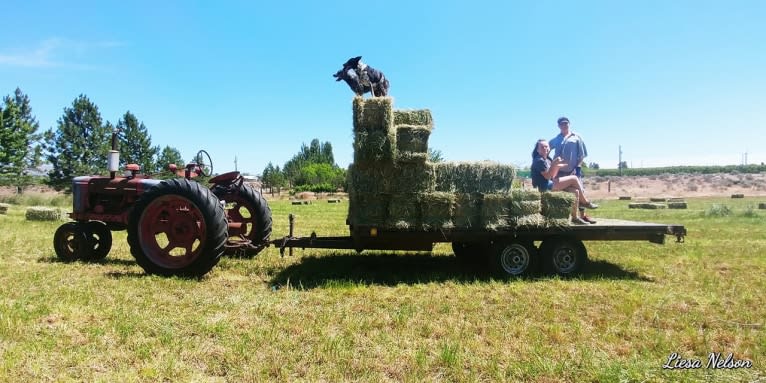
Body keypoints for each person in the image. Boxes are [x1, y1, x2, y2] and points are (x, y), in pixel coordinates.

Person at [531, 139, 598, 225]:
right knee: (574, 178)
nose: (545, 148)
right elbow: (547, 176)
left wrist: (557, 166)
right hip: (543, 187)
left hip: (550, 184)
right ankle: (584, 202)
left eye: (546, 146)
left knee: (575, 191)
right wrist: (554, 164)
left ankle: (575, 217)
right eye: (542, 147)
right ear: (537, 149)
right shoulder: (539, 160)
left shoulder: (547, 159)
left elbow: (552, 176)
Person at [549, 117, 596, 223]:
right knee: (568, 193)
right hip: (559, 172)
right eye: (561, 124)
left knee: (580, 190)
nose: (564, 125)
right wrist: (549, 164)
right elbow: (546, 149)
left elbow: (582, 155)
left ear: (569, 124)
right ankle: (568, 217)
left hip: (573, 170)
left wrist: (578, 167)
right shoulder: (556, 139)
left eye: (566, 123)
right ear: (558, 126)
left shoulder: (577, 137)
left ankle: (583, 216)